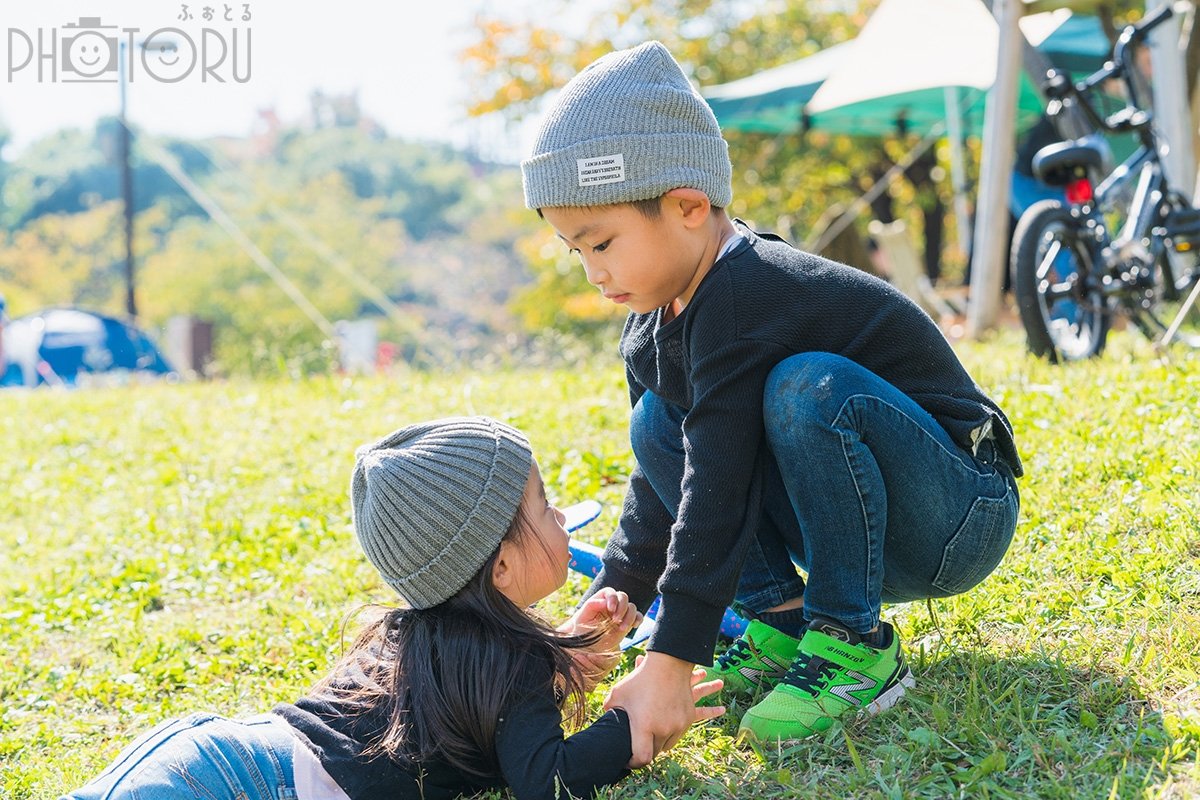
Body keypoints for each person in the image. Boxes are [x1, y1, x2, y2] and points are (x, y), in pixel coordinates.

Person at [519, 41, 1023, 760]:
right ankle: (784, 622)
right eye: (578, 252)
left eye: (603, 242)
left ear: (689, 205)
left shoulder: (749, 290)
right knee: (657, 419)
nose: (595, 272)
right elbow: (670, 479)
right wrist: (616, 595)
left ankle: (853, 646)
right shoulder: (654, 321)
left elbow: (721, 485)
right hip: (859, 520)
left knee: (804, 389)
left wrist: (673, 657)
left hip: (956, 513)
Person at [61, 416, 723, 800]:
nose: (558, 513)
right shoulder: (506, 663)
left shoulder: (421, 634)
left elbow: (491, 730)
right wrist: (629, 729)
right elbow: (544, 778)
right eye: (543, 504)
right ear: (497, 565)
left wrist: (573, 651)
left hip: (220, 753)